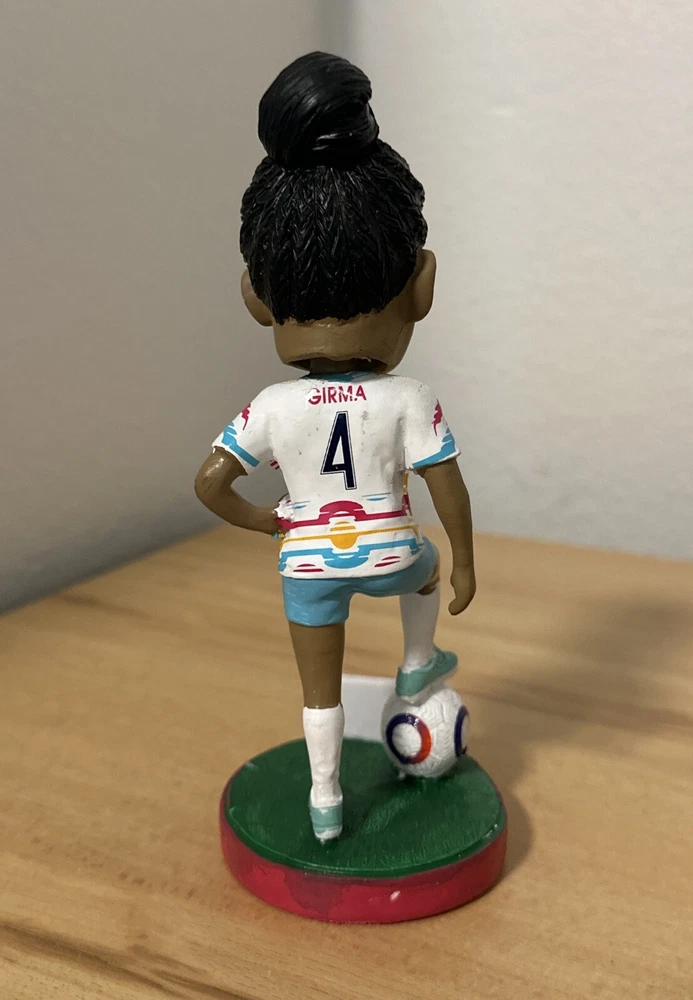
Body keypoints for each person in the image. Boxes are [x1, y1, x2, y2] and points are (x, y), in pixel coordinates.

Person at [195, 52, 476, 842]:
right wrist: (463, 558)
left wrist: (269, 523)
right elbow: (445, 484)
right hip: (389, 552)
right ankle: (417, 660)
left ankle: (324, 802)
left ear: (256, 298)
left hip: (309, 564)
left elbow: (209, 484)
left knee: (316, 693)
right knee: (424, 570)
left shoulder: (271, 407)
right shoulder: (408, 397)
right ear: (420, 286)